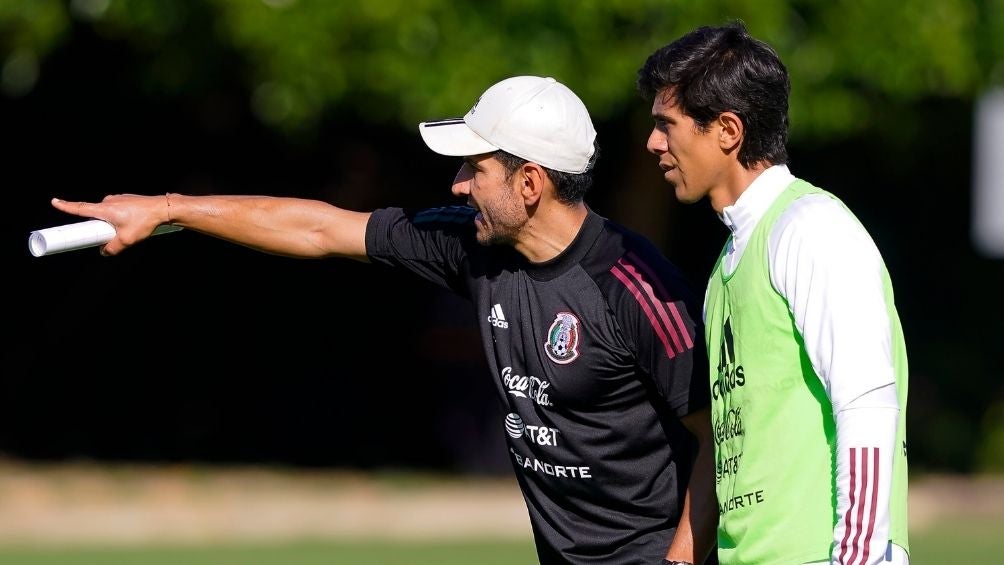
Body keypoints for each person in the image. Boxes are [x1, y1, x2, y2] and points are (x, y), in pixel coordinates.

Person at [50, 75, 718, 565]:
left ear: (530, 183)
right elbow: (319, 227)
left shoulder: (636, 290)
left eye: (475, 168)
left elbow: (717, 439)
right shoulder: (469, 243)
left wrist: (679, 562)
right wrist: (168, 209)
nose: (457, 183)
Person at [636, 21, 910, 565]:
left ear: (728, 130)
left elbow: (867, 403)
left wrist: (856, 559)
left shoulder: (810, 227)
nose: (653, 144)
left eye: (667, 125)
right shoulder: (730, 263)